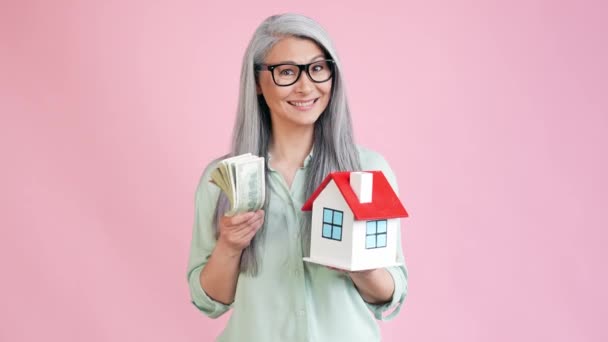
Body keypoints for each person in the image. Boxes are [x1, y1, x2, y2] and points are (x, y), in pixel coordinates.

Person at [187, 13, 408, 342]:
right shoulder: (223, 180)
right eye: (287, 72)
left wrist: (363, 269)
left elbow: (392, 292)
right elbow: (211, 302)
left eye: (318, 68)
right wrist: (229, 247)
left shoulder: (368, 171)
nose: (306, 86)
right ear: (258, 83)